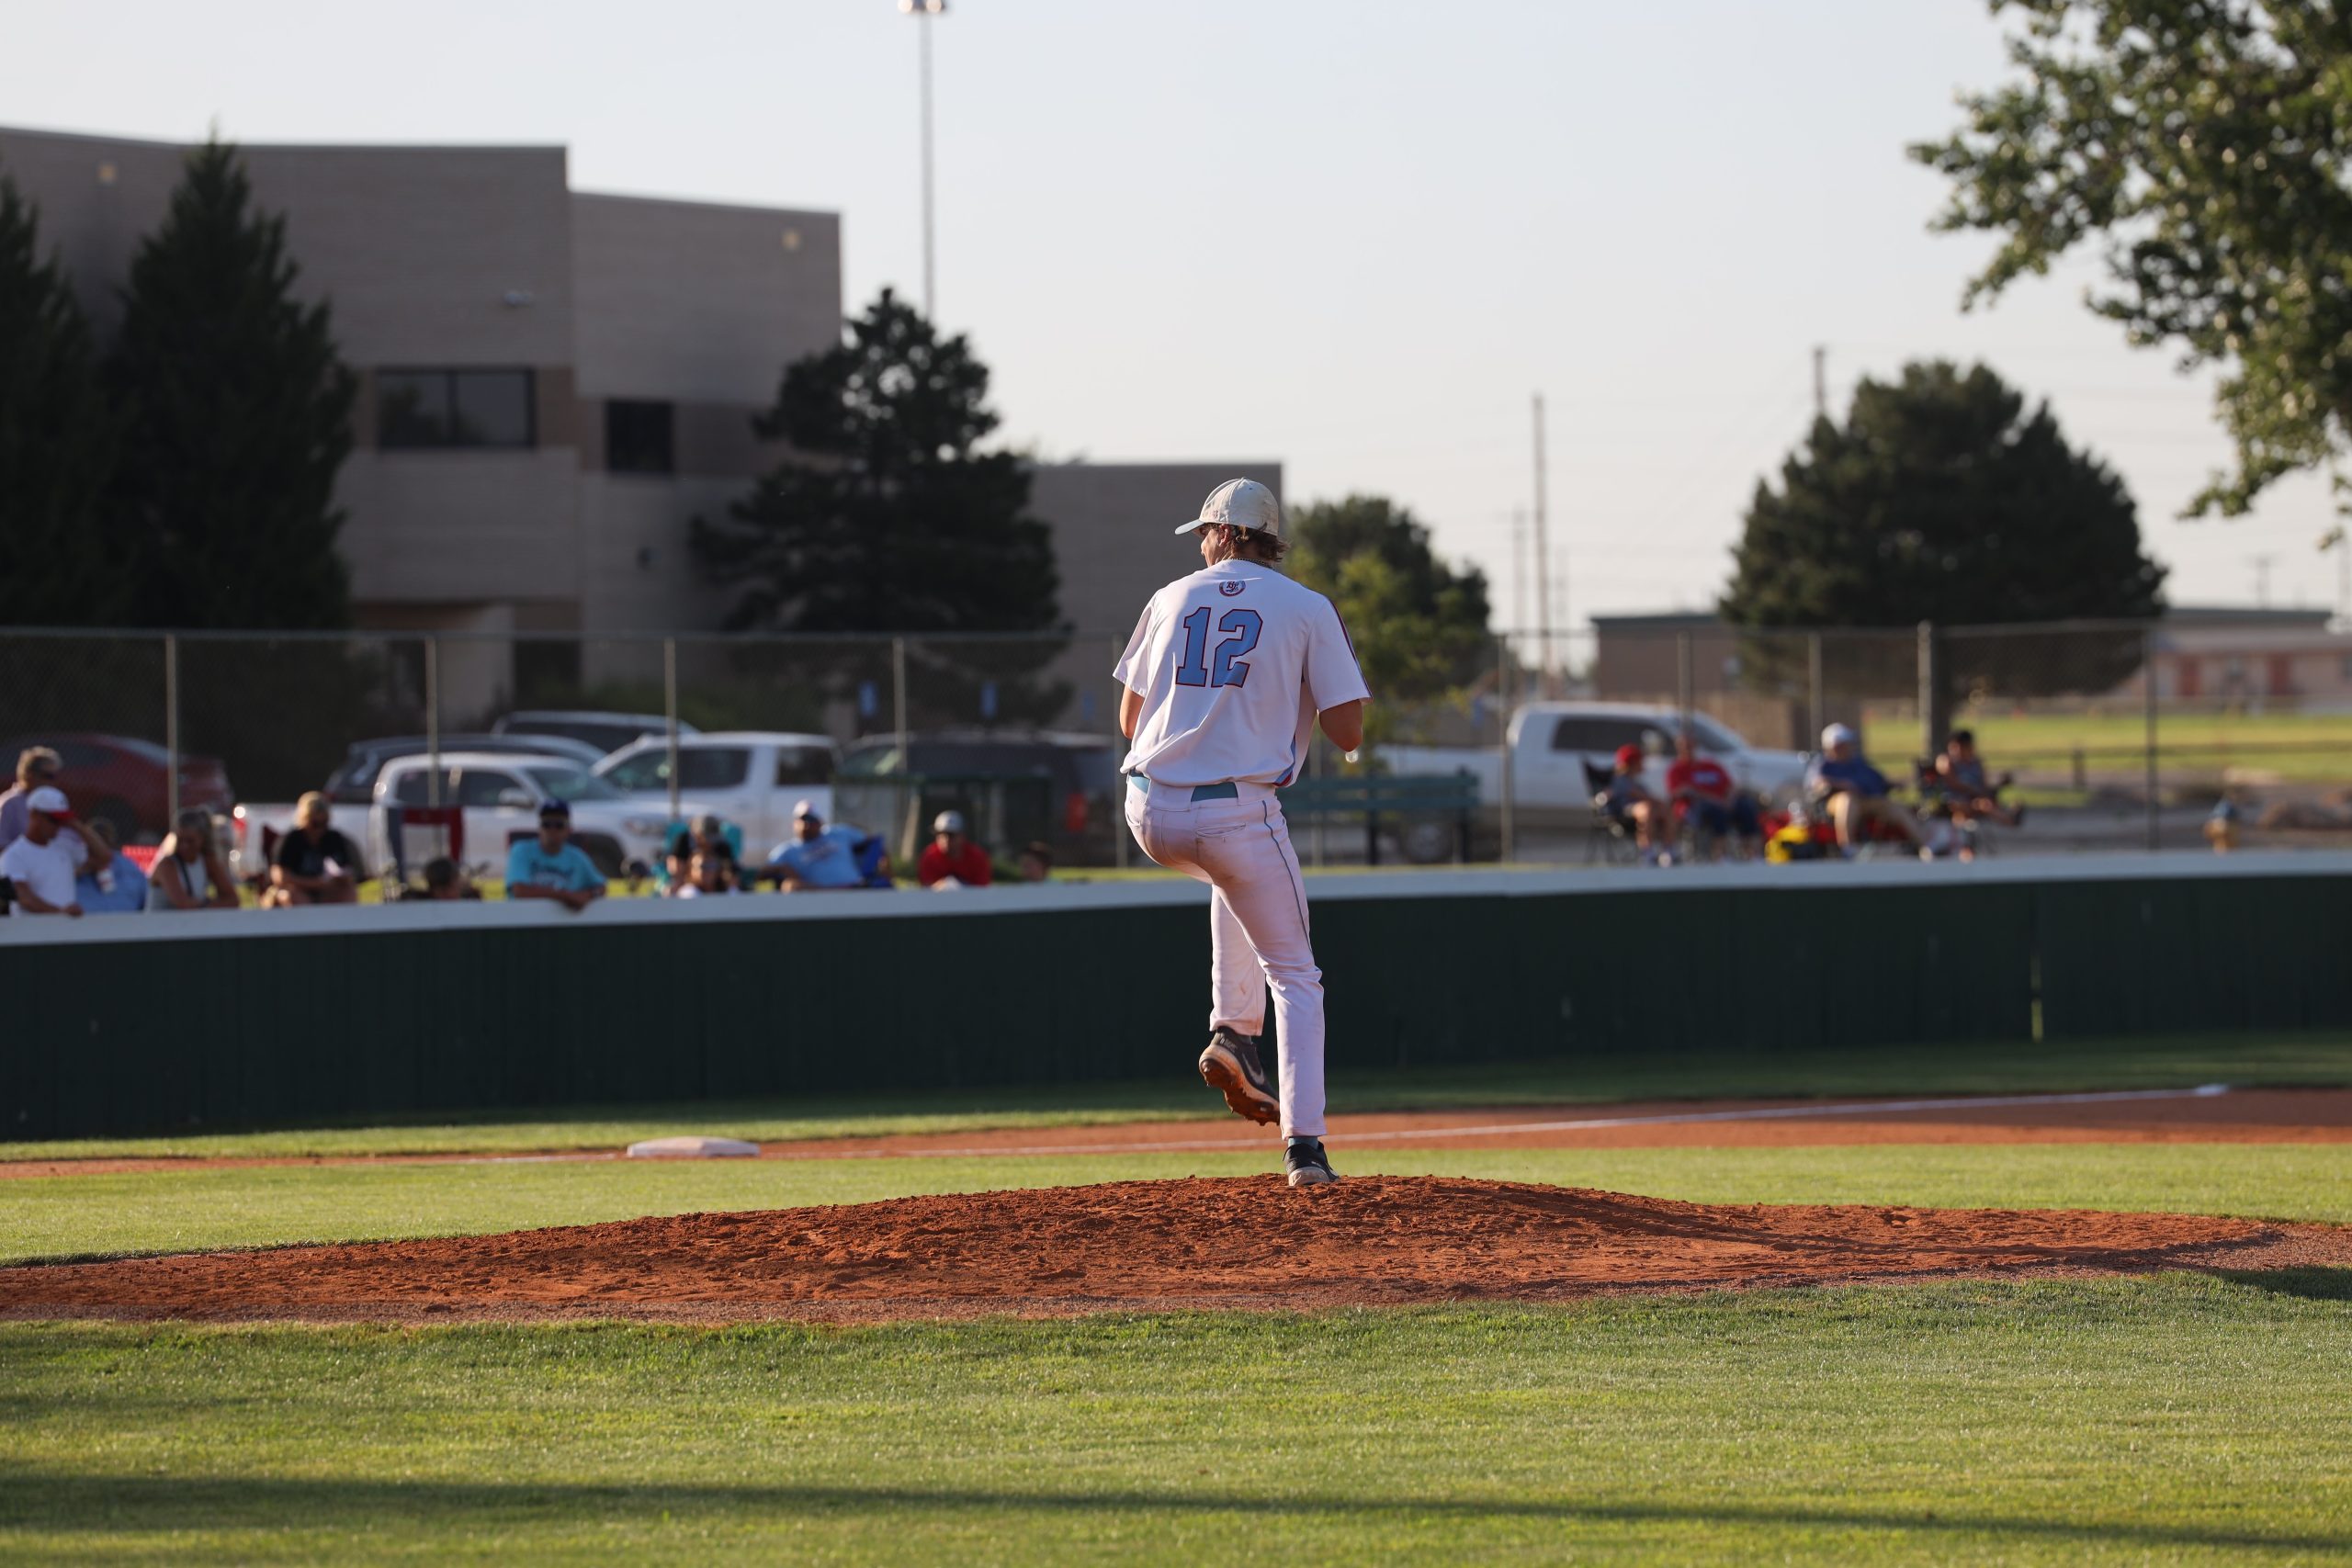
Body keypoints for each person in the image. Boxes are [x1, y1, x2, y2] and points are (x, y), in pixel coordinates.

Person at [1114, 477, 1370, 1189]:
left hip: (1148, 807)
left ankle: (1234, 1032)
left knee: (1230, 878)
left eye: (1204, 532)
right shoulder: (1308, 607)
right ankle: (1305, 1148)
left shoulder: (1168, 598)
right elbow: (1348, 732)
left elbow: (1130, 722)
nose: (1201, 545)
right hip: (1235, 812)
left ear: (1226, 533)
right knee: (1296, 976)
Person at [1805, 723, 1925, 857]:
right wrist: (1844, 785)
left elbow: (1879, 780)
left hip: (1865, 801)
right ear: (1834, 746)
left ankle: (1925, 846)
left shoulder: (1858, 763)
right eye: (1844, 744)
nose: (1848, 747)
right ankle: (1848, 848)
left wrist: (1897, 784)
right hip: (1836, 804)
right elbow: (1818, 783)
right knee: (1847, 800)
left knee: (1892, 806)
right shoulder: (1822, 764)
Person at [1, 785, 105, 917]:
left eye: (62, 821)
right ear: (34, 815)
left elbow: (104, 858)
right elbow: (24, 898)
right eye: (54, 820)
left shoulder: (65, 847)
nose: (58, 826)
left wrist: (77, 826)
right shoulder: (13, 855)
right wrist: (60, 914)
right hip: (31, 935)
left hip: (65, 933)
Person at [1665, 732, 1761, 860]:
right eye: (1684, 746)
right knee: (1715, 811)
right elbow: (1680, 793)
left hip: (1723, 802)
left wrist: (1729, 799)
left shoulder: (1711, 766)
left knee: (1745, 807)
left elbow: (1730, 786)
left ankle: (1751, 852)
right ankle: (1720, 854)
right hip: (1696, 807)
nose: (1688, 749)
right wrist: (1714, 800)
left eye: (1690, 745)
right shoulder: (1676, 770)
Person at [504, 799, 605, 911]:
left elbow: (600, 887)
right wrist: (566, 896)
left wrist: (589, 895)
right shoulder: (521, 850)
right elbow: (520, 891)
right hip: (527, 921)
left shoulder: (577, 856)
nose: (552, 830)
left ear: (569, 830)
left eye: (559, 825)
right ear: (539, 828)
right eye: (546, 824)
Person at [265, 792, 363, 907]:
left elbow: (348, 871)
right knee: (293, 896)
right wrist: (316, 883)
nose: (319, 829)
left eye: (324, 823)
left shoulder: (335, 839)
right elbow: (279, 877)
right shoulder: (291, 840)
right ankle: (304, 924)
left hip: (326, 891)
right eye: (315, 824)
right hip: (298, 890)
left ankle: (342, 924)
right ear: (303, 819)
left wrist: (343, 878)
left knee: (348, 892)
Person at [766, 800, 880, 890]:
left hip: (852, 887)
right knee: (790, 886)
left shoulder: (838, 833)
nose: (806, 824)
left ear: (820, 821)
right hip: (818, 893)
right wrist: (782, 868)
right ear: (794, 822)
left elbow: (875, 842)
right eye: (802, 819)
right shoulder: (787, 850)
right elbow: (762, 872)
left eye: (811, 820)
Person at [150, 807, 240, 910]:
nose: (184, 846)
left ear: (202, 838)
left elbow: (232, 900)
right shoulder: (167, 865)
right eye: (180, 840)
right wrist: (209, 904)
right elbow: (183, 904)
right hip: (158, 924)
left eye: (190, 841)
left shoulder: (207, 861)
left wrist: (205, 905)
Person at [1933, 729, 2024, 830]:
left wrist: (2000, 784)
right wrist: (1973, 790)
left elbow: (1983, 784)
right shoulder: (1946, 761)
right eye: (1954, 747)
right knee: (1984, 805)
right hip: (1954, 801)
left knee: (1986, 802)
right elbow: (1953, 783)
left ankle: (2009, 815)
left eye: (1962, 747)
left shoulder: (1976, 762)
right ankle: (2010, 820)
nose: (1958, 751)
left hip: (1975, 799)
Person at [1599, 742, 1673, 863]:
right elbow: (1635, 794)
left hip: (1646, 813)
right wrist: (1655, 801)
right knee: (1647, 809)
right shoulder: (1619, 780)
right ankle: (1647, 851)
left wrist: (1660, 805)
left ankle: (1668, 850)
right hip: (1624, 813)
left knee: (1665, 810)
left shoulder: (1637, 782)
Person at [73, 818, 149, 913]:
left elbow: (146, 901)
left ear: (111, 844)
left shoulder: (128, 868)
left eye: (102, 843)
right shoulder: (72, 867)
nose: (99, 849)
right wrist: (83, 869)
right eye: (94, 843)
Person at [0, 746, 63, 853]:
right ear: (30, 774)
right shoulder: (10, 804)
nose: (53, 782)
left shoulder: (54, 802)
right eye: (48, 776)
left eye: (55, 776)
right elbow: (1, 844)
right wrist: (30, 854)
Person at [664, 813, 741, 892]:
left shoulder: (721, 845)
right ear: (697, 834)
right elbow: (676, 867)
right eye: (707, 838)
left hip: (715, 884)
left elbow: (730, 870)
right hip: (688, 882)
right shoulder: (683, 841)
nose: (710, 843)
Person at [917, 809, 993, 888]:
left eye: (951, 835)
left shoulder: (977, 857)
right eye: (940, 834)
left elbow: (982, 890)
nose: (945, 839)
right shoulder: (929, 857)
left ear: (962, 835)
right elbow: (926, 889)